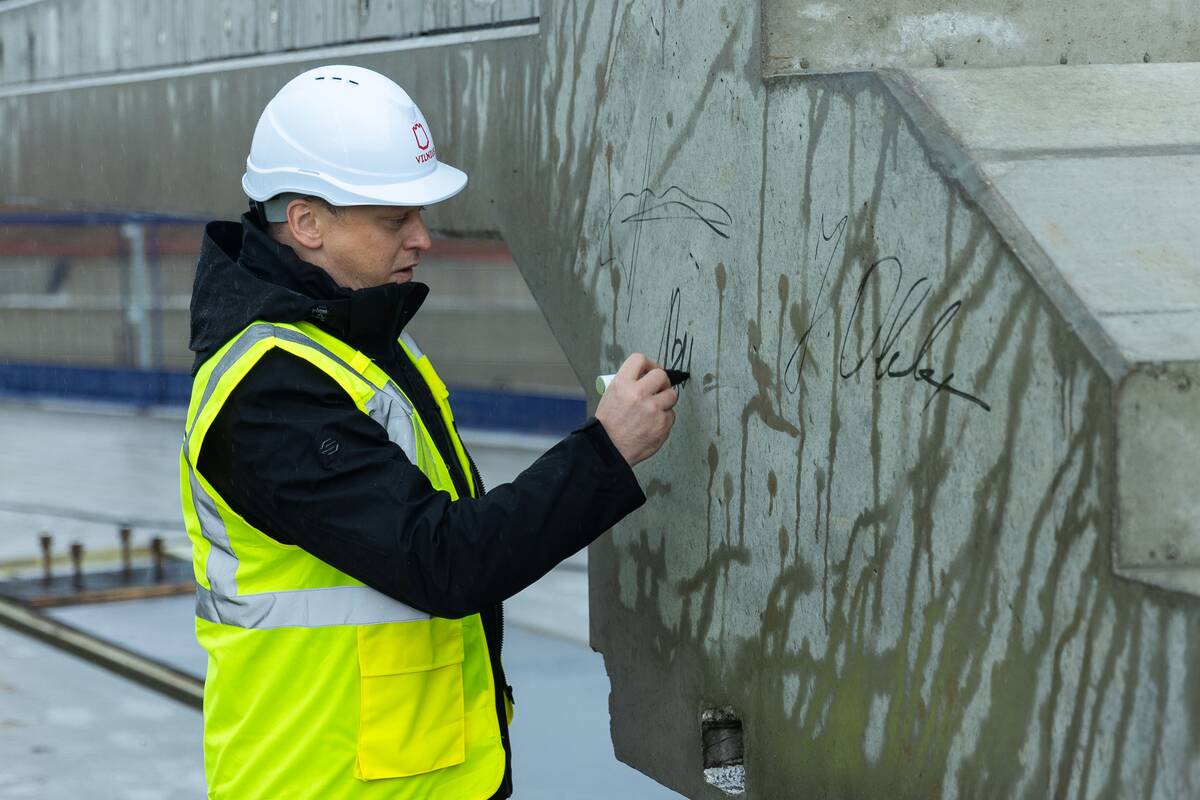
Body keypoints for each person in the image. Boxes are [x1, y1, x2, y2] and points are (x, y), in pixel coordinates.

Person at [179, 63, 677, 799]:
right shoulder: (268, 392)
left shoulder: (362, 340)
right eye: (394, 218)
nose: (422, 237)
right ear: (308, 223)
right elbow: (440, 558)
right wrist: (604, 452)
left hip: (416, 777)